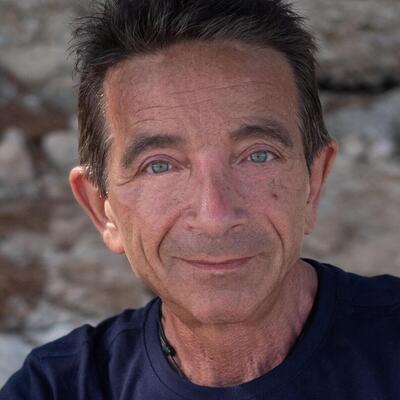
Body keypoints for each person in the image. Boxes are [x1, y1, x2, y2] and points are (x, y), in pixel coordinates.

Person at [1, 0, 400, 398]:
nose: (215, 216)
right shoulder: (56, 388)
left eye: (258, 155)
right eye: (160, 166)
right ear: (101, 208)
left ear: (314, 182)